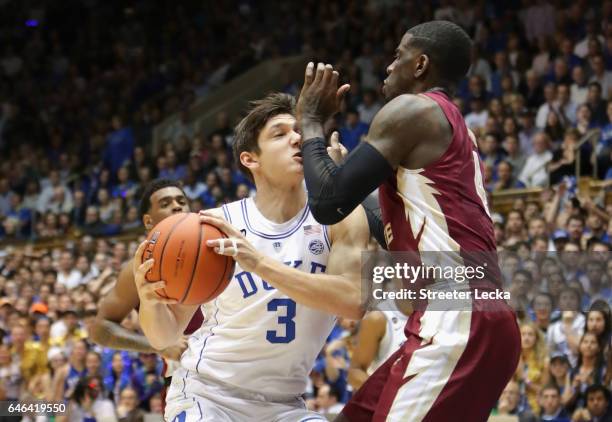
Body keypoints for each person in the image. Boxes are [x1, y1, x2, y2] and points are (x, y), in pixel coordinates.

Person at [295, 20, 521, 420]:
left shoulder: (412, 109)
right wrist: (345, 177)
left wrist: (311, 120)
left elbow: (328, 203)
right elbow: (388, 224)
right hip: (473, 316)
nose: (388, 65)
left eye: (398, 55)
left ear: (420, 65)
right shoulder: (452, 128)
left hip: (456, 315)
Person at [134, 93, 371, 421]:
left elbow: (355, 301)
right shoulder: (213, 226)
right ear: (250, 159)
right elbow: (166, 335)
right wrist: (150, 302)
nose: (297, 138)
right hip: (208, 394)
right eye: (280, 133)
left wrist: (259, 263)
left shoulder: (339, 218)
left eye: (299, 130)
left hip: (286, 405)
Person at [89, 179, 204, 406]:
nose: (177, 206)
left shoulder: (217, 249)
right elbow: (99, 330)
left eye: (182, 201)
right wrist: (157, 345)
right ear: (148, 221)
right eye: (165, 203)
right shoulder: (139, 268)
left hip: (237, 369)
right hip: (188, 381)